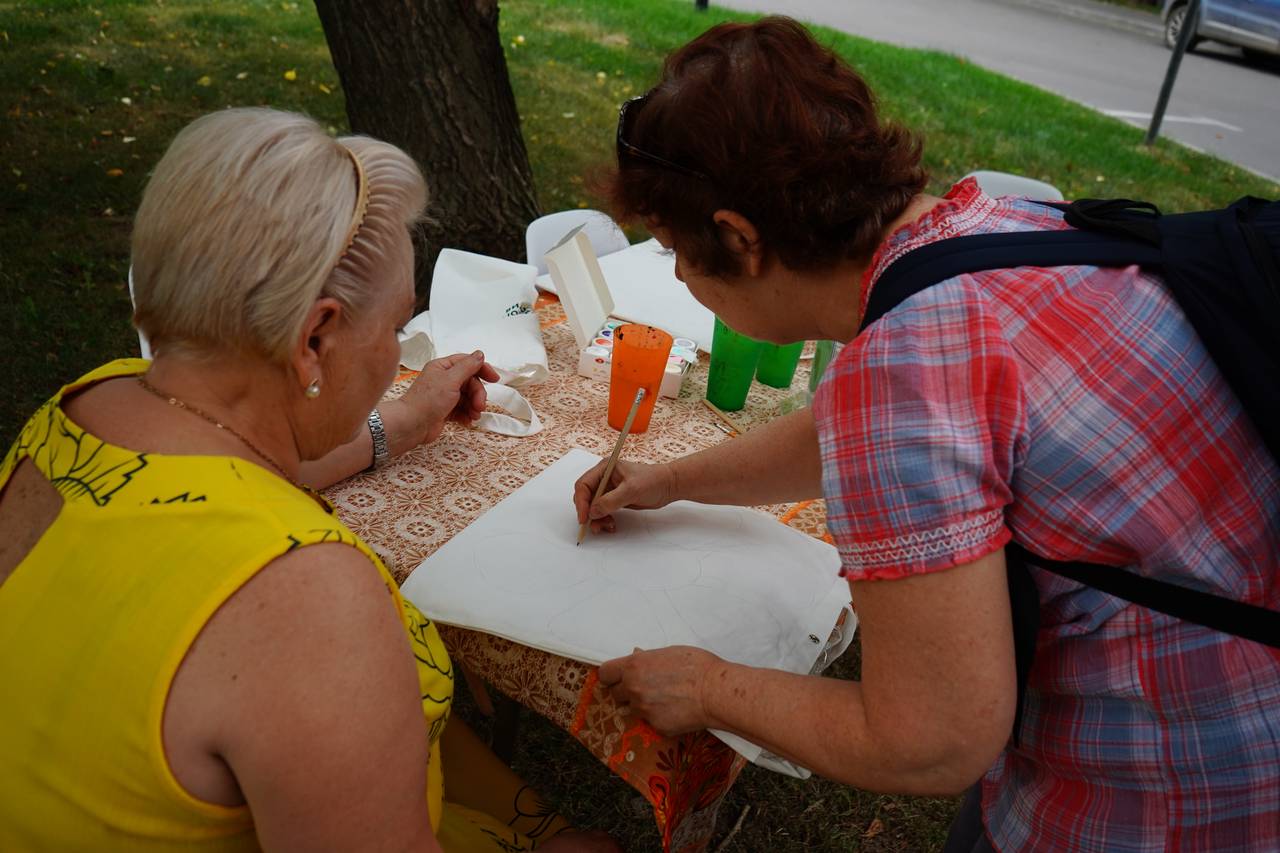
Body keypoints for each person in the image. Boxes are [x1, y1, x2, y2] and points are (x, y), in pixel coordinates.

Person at [572, 17, 1279, 853]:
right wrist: (670, 478)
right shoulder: (984, 225)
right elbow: (865, 428)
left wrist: (709, 685)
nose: (681, 278)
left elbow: (934, 737)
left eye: (675, 252)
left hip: (1173, 795)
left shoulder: (903, 369)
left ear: (740, 237)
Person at [0, 107, 617, 853]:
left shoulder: (91, 403)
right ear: (314, 339)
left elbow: (232, 467)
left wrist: (399, 420)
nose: (398, 354)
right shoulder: (310, 599)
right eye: (396, 328)